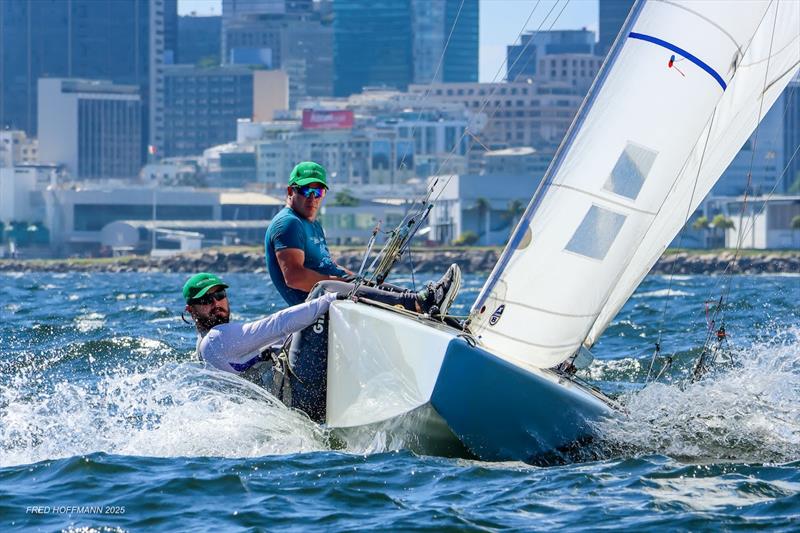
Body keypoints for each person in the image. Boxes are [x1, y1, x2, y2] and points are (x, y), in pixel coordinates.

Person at [264, 161, 461, 316]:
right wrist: (342, 283)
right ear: (290, 191)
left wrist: (357, 280)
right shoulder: (288, 223)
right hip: (317, 307)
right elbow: (295, 278)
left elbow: (327, 266)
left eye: (319, 192)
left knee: (369, 285)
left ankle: (422, 302)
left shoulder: (312, 224)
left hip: (334, 293)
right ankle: (419, 302)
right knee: (338, 286)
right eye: (306, 190)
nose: (313, 197)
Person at [183, 272, 338, 375]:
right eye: (205, 300)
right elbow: (278, 324)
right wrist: (332, 298)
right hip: (295, 395)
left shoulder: (204, 343)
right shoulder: (216, 339)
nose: (216, 303)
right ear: (190, 310)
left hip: (280, 396)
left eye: (219, 295)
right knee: (322, 290)